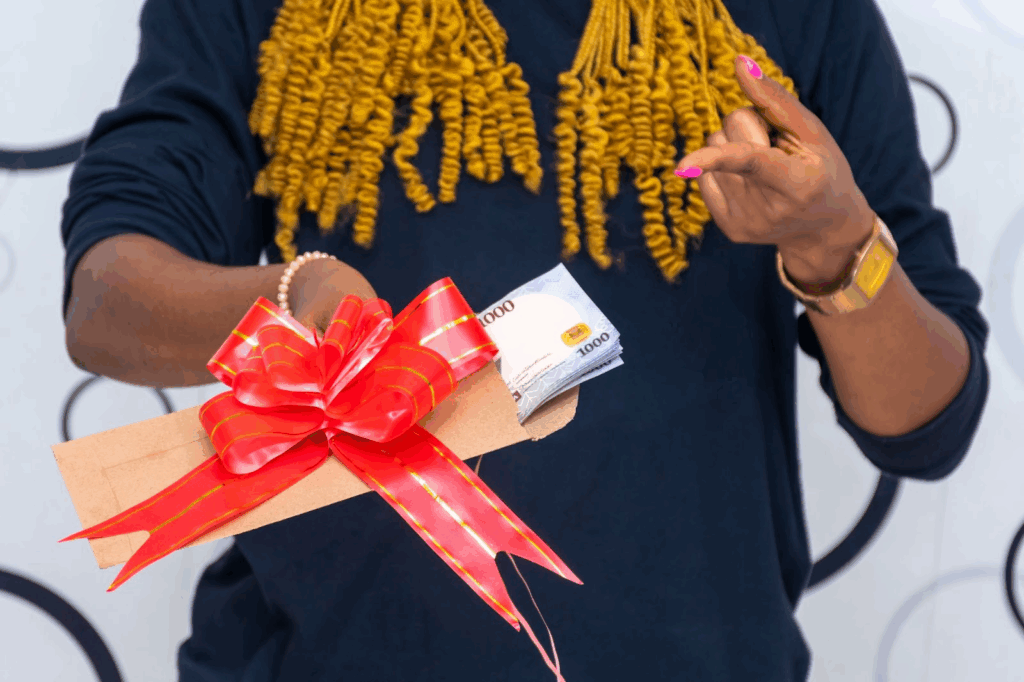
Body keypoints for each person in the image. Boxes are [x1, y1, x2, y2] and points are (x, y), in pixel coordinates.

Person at [60, 0, 990, 679]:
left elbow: (928, 423)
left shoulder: (787, 19)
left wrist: (837, 250)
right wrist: (297, 294)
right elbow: (106, 297)